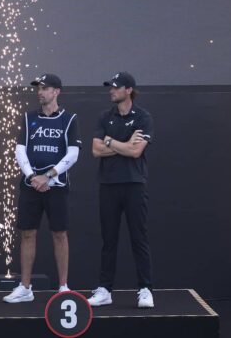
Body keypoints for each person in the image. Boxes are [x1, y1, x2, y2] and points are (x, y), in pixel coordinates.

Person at [3, 73, 81, 303]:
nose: (40, 92)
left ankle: (63, 287)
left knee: (59, 233)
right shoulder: (29, 118)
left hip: (56, 185)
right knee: (27, 233)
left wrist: (48, 176)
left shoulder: (69, 119)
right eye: (38, 88)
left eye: (45, 88)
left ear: (57, 91)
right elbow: (20, 150)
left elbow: (73, 154)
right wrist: (32, 177)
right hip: (31, 186)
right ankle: (25, 287)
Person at [88, 72, 155, 309]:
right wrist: (123, 144)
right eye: (110, 87)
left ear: (128, 90)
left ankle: (145, 289)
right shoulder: (105, 116)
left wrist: (110, 141)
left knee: (139, 237)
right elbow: (96, 150)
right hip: (108, 185)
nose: (111, 91)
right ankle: (105, 289)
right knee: (109, 239)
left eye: (115, 88)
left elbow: (136, 152)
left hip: (134, 184)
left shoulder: (143, 117)